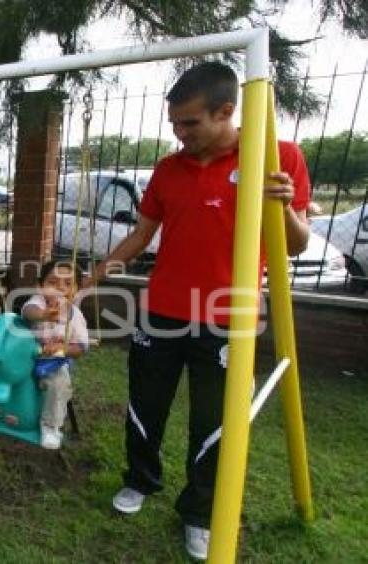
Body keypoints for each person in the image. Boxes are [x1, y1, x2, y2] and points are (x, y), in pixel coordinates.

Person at [83, 62, 310, 560]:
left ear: (226, 111)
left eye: (190, 124)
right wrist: (98, 273)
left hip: (229, 316)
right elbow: (143, 234)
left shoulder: (277, 156)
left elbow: (295, 246)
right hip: (161, 309)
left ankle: (200, 513)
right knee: (145, 402)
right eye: (175, 124)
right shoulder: (168, 169)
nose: (180, 134)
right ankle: (140, 481)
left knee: (214, 419)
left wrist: (287, 206)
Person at [0, 260, 89, 449]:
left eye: (67, 283)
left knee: (58, 383)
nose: (59, 288)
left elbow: (80, 347)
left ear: (77, 289)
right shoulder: (37, 303)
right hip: (22, 356)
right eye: (53, 282)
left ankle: (50, 425)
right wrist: (43, 315)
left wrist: (61, 348)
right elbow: (27, 313)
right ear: (40, 286)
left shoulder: (76, 317)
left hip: (51, 362)